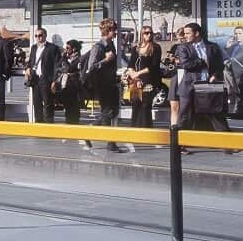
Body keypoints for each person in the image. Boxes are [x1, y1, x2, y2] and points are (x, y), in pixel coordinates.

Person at [175, 22, 231, 143]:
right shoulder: (183, 47)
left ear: (197, 33)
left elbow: (219, 65)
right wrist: (202, 61)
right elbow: (186, 65)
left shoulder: (212, 47)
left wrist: (215, 75)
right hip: (189, 86)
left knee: (216, 114)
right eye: (184, 33)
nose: (185, 36)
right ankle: (179, 145)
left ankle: (228, 143)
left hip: (208, 85)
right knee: (185, 116)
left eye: (188, 33)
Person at [84, 19, 123, 152]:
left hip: (112, 83)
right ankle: (109, 143)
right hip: (102, 85)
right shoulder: (98, 47)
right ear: (107, 31)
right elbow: (91, 67)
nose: (116, 32)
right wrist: (106, 60)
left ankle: (91, 133)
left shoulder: (111, 45)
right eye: (114, 30)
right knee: (107, 112)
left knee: (113, 112)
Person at [126, 25, 163, 129]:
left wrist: (139, 73)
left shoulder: (155, 47)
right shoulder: (135, 48)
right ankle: (135, 128)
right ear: (141, 35)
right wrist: (134, 75)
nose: (149, 35)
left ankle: (146, 129)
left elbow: (154, 65)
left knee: (145, 104)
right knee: (135, 103)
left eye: (151, 33)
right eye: (146, 33)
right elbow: (131, 64)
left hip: (149, 79)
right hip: (135, 80)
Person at [26, 27, 59, 124]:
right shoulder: (34, 47)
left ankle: (49, 124)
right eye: (36, 36)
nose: (38, 38)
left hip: (46, 79)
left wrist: (54, 80)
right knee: (36, 103)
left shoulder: (52, 48)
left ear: (45, 35)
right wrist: (27, 68)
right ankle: (38, 123)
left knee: (48, 103)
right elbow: (31, 62)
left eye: (40, 35)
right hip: (35, 79)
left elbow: (56, 66)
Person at [54, 40, 83, 126]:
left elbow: (69, 69)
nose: (66, 50)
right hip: (66, 86)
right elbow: (57, 67)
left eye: (67, 48)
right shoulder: (66, 58)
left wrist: (64, 59)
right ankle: (69, 124)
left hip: (75, 87)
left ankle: (74, 125)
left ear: (73, 49)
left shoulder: (79, 59)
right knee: (68, 108)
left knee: (74, 109)